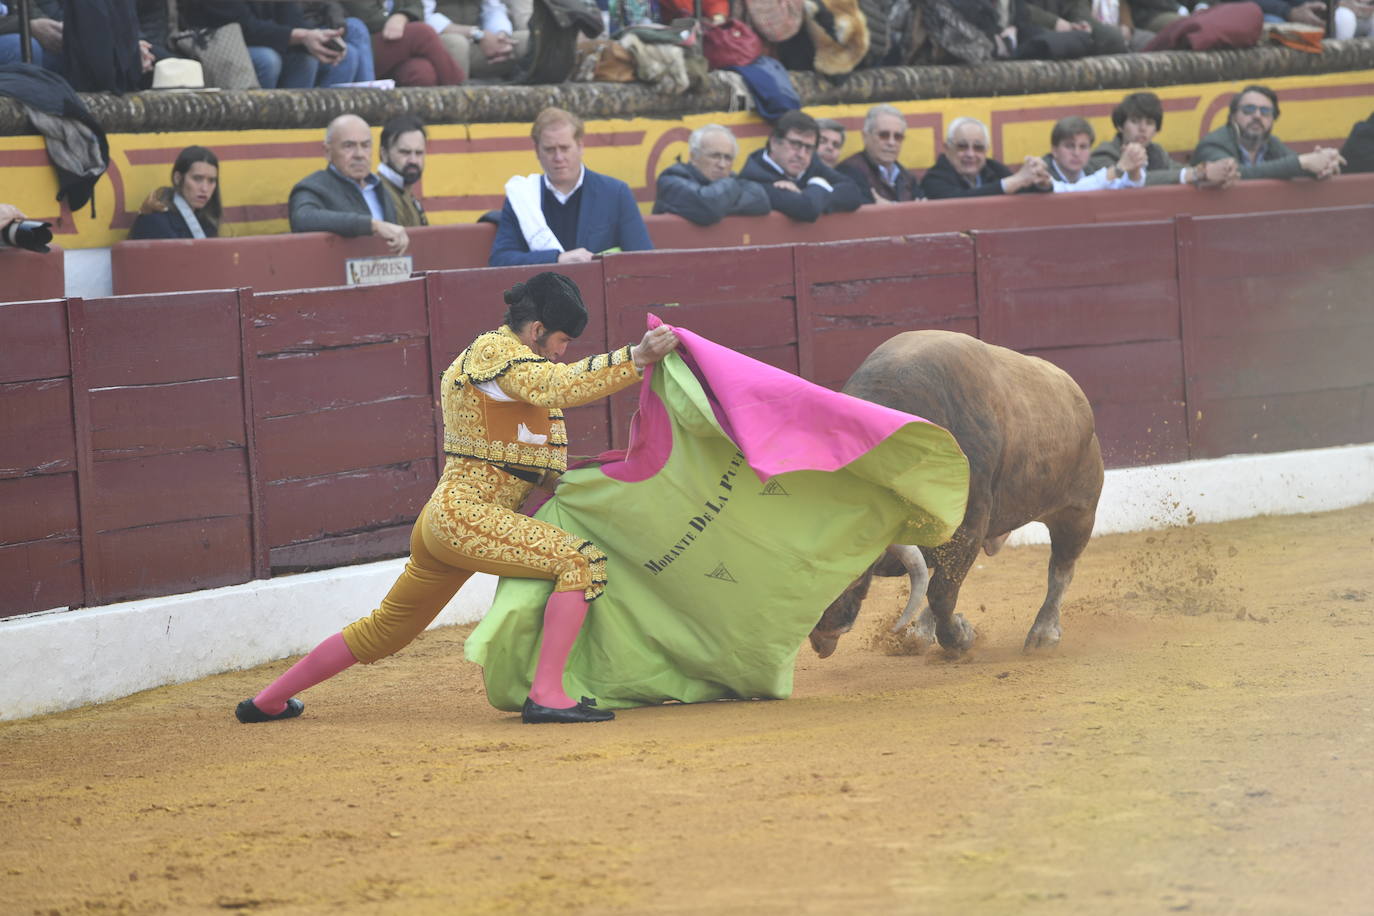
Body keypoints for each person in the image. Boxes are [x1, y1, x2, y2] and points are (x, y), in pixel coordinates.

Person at [234, 272, 681, 725]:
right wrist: (636, 357)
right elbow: (557, 386)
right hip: (466, 515)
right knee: (581, 562)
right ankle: (546, 693)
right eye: (562, 339)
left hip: (451, 519)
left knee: (387, 629)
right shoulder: (496, 352)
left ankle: (267, 701)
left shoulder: (518, 370)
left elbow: (525, 449)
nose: (564, 351)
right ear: (536, 328)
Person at [490, 107, 653, 266]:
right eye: (549, 149)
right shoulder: (522, 197)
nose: (558, 157)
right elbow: (500, 260)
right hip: (541, 292)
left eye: (565, 148)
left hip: (598, 291)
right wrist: (557, 259)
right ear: (537, 151)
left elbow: (643, 259)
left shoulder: (615, 193)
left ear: (580, 146)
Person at [289, 114, 411, 255]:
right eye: (349, 146)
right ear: (327, 152)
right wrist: (372, 225)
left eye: (365, 145)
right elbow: (303, 218)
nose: (359, 154)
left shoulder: (380, 188)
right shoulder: (313, 187)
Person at [1192, 85, 1345, 181]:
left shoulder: (1271, 143)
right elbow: (1237, 174)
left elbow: (1295, 165)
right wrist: (1302, 163)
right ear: (1232, 116)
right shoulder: (1213, 143)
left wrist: (1324, 164)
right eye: (1249, 109)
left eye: (1265, 111)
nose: (1257, 116)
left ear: (1273, 119)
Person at [1088, 91, 1239, 188]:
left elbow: (1180, 171)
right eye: (1135, 121)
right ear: (1120, 126)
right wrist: (1198, 174)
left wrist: (1220, 170)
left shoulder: (1156, 152)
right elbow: (1131, 181)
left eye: (1150, 123)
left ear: (1156, 130)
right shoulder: (1104, 154)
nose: (1142, 129)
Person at [184, 1, 349, 89]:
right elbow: (244, 27)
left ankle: (298, 124)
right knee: (267, 60)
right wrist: (302, 36)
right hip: (214, 44)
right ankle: (258, 125)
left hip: (263, 39)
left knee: (309, 58)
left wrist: (319, 38)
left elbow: (291, 16)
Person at [738, 110, 864, 223]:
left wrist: (808, 192)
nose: (802, 155)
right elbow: (806, 208)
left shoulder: (811, 163)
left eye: (809, 148)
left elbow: (853, 192)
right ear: (774, 142)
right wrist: (819, 185)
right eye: (795, 144)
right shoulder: (755, 175)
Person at [652, 124, 770, 226]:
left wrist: (722, 203)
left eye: (728, 158)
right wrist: (728, 193)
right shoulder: (670, 180)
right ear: (693, 157)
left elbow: (761, 199)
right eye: (715, 156)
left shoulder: (732, 181)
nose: (722, 165)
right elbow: (708, 206)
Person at [920, 117, 1050, 199]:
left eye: (978, 148)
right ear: (947, 148)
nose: (970, 154)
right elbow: (961, 201)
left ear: (986, 150)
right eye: (962, 146)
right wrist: (1011, 183)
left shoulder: (993, 168)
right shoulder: (933, 178)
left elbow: (1024, 192)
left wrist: (1040, 182)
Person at [342, 0, 464, 86]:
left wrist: (402, 16)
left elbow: (417, 6)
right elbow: (369, 19)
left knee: (421, 73)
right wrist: (396, 20)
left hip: (393, 46)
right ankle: (459, 94)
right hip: (361, 47)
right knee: (422, 33)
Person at [129, 146, 222, 240]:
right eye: (197, 179)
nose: (205, 188)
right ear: (177, 178)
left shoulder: (207, 222)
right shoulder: (154, 221)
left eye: (211, 181)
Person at [836, 104, 923, 205]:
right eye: (884, 135)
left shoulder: (908, 177)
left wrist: (891, 207)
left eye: (898, 137)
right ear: (865, 136)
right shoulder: (849, 171)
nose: (891, 143)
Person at [1041, 116, 1146, 192]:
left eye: (1083, 147)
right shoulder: (1042, 172)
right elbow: (1069, 191)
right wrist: (1119, 169)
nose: (1076, 153)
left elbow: (1125, 187)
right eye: (1069, 146)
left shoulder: (1093, 168)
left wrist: (1134, 168)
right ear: (1054, 150)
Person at [424, 0, 525, 79]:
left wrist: (501, 34)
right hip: (443, 39)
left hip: (480, 41)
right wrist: (476, 34)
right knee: (457, 43)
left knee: (526, 39)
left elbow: (493, 10)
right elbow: (424, 16)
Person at [378, 114, 428, 227]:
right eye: (405, 152)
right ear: (384, 154)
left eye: (419, 153)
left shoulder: (403, 189)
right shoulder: (381, 194)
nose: (413, 160)